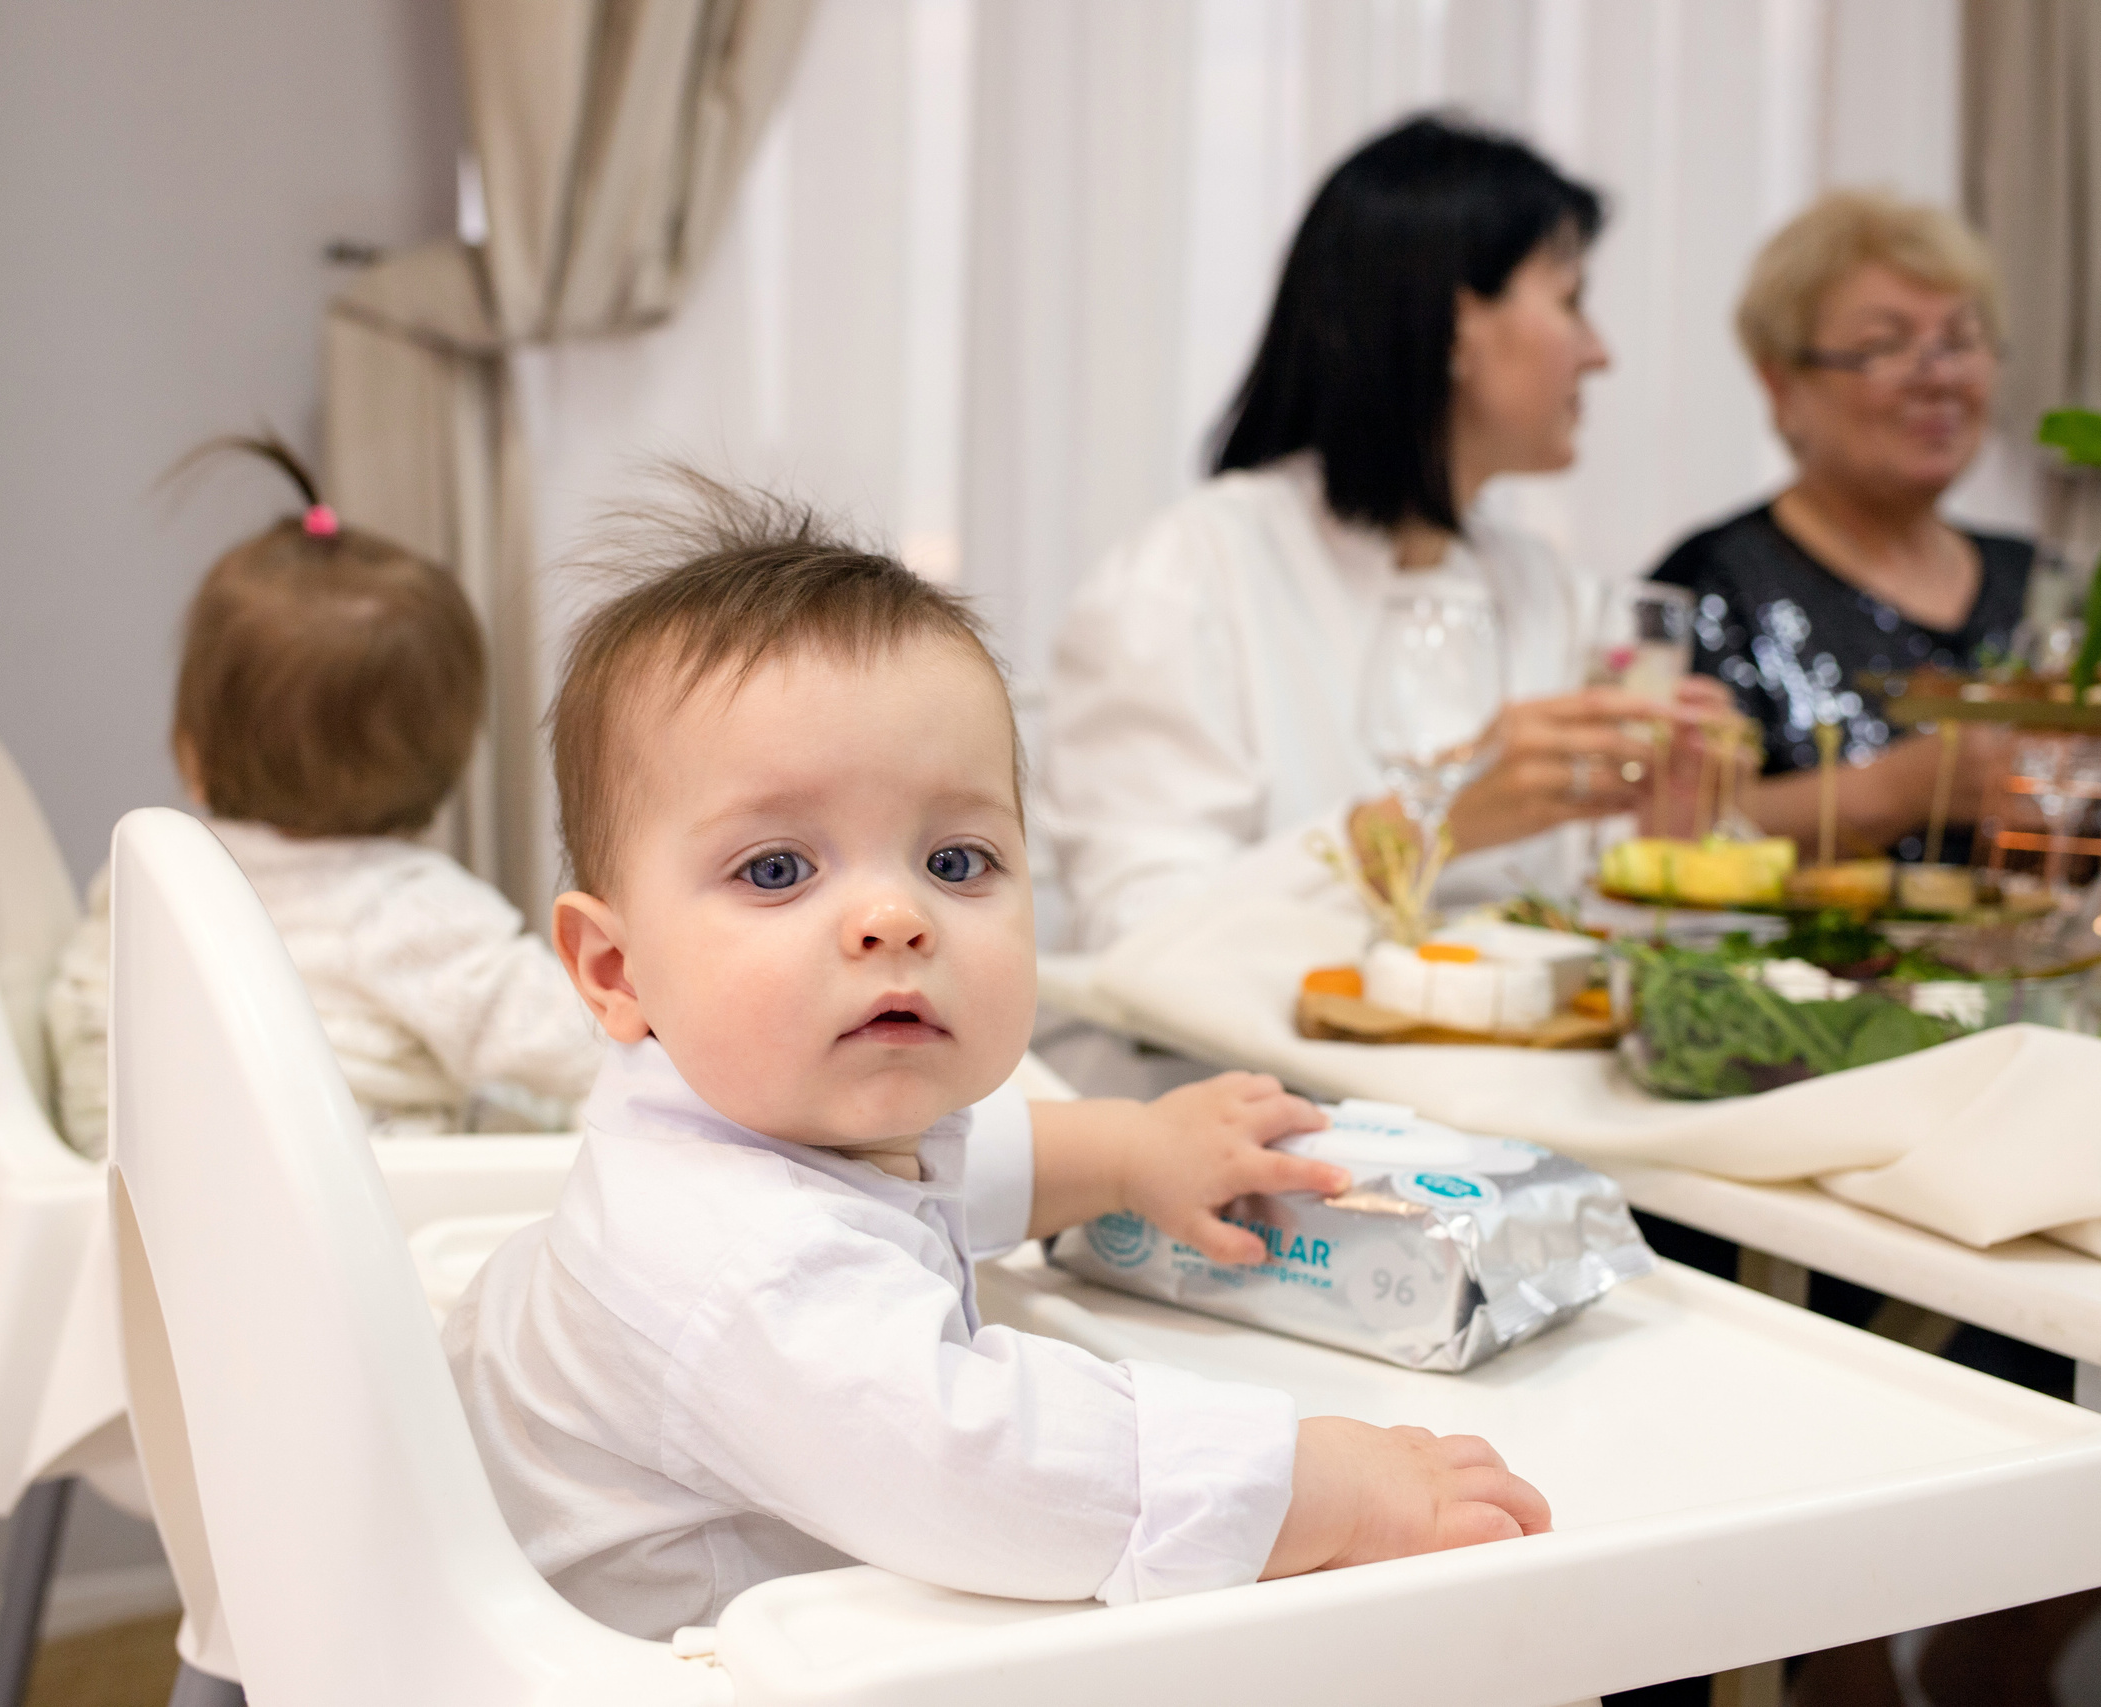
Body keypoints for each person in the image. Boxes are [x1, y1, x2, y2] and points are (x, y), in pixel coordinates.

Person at [443, 483, 1550, 1638]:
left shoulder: (764, 1113)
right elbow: (985, 1471)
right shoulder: (738, 1267)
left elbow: (963, 1162)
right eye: (777, 869)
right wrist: (1322, 1487)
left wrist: (1130, 1149)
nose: (893, 916)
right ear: (616, 972)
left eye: (957, 861)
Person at [1042, 115, 1728, 951]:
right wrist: (1428, 826)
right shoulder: (1191, 574)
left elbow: (1595, 929)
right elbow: (1136, 933)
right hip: (1250, 1078)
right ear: (1453, 322)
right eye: (1571, 300)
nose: (1599, 353)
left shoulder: (1556, 593)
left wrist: (1673, 830)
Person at [44, 438, 604, 1155]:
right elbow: (582, 1040)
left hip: (137, 1198)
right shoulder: (410, 911)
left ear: (191, 750)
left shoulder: (150, 880)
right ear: (452, 761)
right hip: (353, 1227)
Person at [1651, 189, 2031, 863]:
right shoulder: (1713, 582)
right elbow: (1662, 831)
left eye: (1961, 341)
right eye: (1884, 346)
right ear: (1782, 386)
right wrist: (1900, 790)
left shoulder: (2040, 583)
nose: (1937, 377)